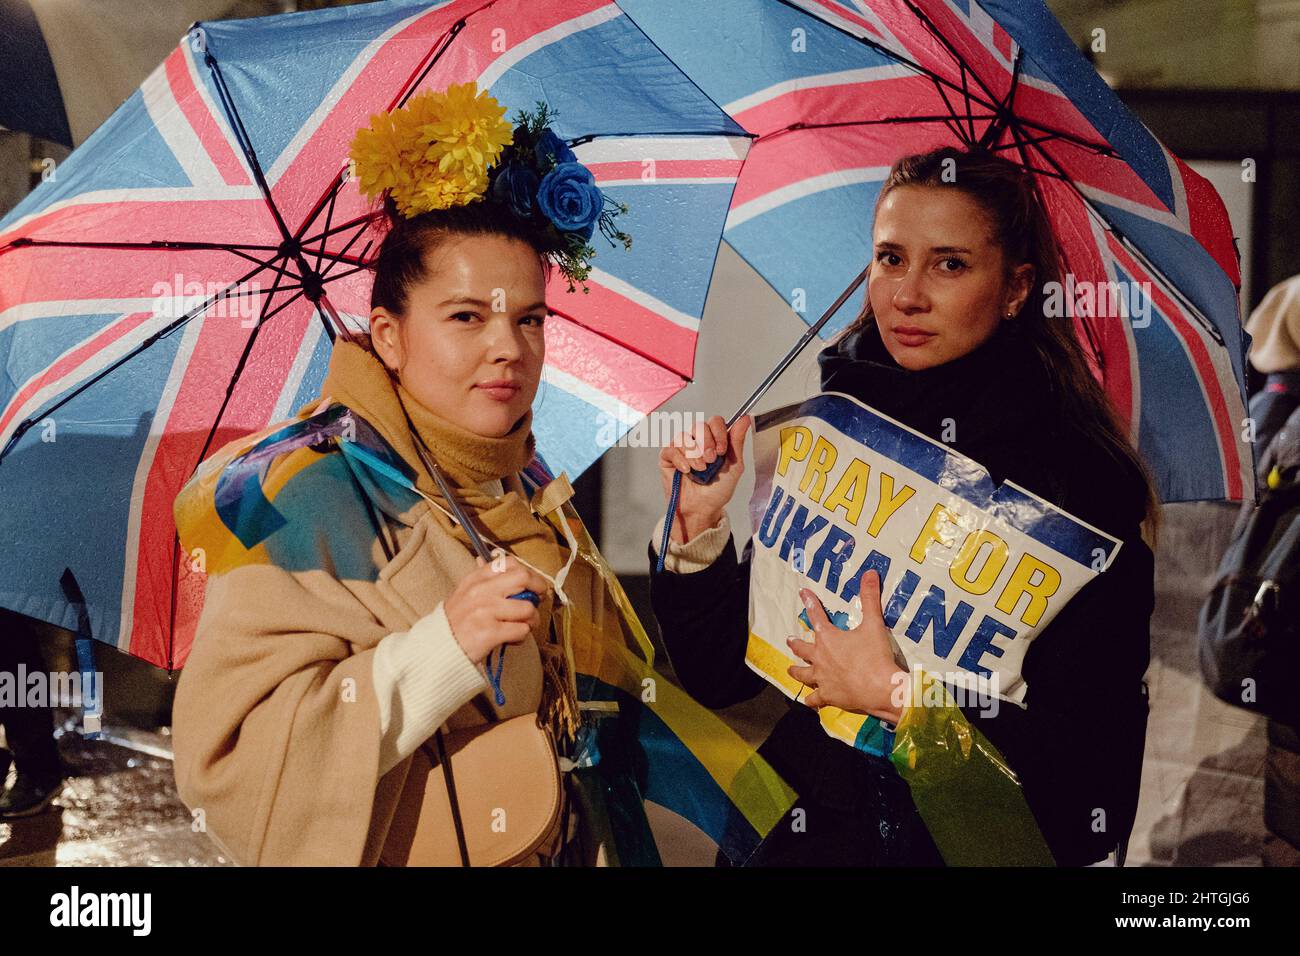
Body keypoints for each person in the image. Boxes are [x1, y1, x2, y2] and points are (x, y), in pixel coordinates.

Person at [648, 146, 1157, 866]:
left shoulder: (1082, 488)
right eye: (890, 258)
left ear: (1016, 288)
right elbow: (719, 672)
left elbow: (1091, 807)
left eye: (949, 264)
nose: (906, 295)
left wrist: (902, 699)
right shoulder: (836, 426)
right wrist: (699, 531)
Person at [169, 83, 631, 865]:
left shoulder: (531, 485)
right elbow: (231, 765)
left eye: (529, 319)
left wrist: (693, 533)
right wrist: (441, 649)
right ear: (387, 334)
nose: (508, 349)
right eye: (466, 317)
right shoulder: (299, 495)